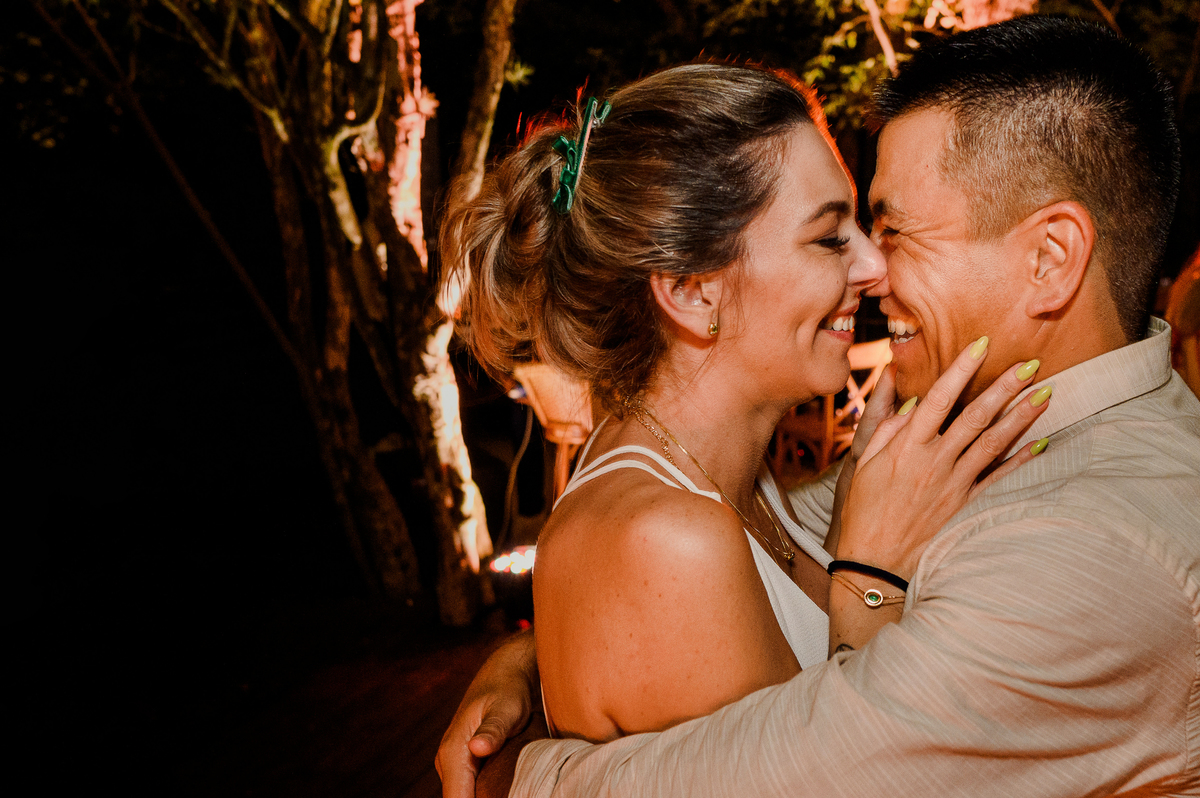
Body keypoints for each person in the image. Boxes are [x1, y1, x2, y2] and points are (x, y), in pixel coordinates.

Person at [438, 16, 1200, 798]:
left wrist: (525, 769)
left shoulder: (1094, 552)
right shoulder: (964, 434)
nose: (871, 264)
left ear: (1049, 259)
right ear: (693, 289)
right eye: (836, 235)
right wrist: (545, 651)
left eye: (892, 228)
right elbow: (689, 561)